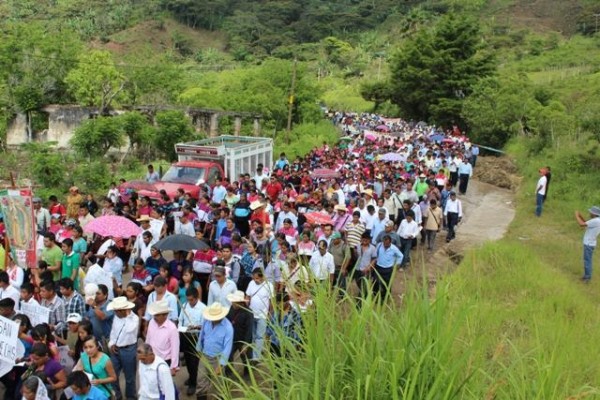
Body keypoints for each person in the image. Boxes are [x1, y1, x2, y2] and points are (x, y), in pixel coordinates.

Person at [196, 302, 234, 400]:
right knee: (200, 380)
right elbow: (202, 336)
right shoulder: (206, 321)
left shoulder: (228, 327)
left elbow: (227, 348)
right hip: (205, 354)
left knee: (218, 384)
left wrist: (221, 365)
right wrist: (199, 349)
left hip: (218, 358)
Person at [107, 296, 139, 400]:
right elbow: (113, 332)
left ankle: (130, 397)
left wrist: (128, 316)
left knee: (130, 377)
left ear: (123, 310)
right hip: (116, 349)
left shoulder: (134, 318)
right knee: (113, 374)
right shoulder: (116, 317)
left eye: (116, 311)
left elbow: (130, 329)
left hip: (129, 349)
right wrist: (111, 344)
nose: (115, 313)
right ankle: (117, 395)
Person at [178, 287, 206, 396]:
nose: (189, 302)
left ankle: (193, 384)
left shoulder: (203, 308)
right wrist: (181, 327)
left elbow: (204, 326)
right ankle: (191, 377)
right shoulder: (184, 305)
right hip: (185, 336)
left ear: (196, 297)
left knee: (194, 362)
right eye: (188, 299)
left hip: (196, 337)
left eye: (191, 300)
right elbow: (180, 320)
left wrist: (195, 327)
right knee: (188, 361)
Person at [245, 268, 274, 362]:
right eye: (254, 278)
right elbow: (248, 296)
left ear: (262, 277)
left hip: (263, 315)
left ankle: (256, 357)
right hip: (251, 314)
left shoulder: (269, 285)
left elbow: (271, 301)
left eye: (257, 278)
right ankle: (253, 353)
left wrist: (270, 314)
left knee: (260, 336)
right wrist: (246, 306)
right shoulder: (251, 283)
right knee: (252, 335)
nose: (255, 280)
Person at [145, 299, 180, 373]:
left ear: (165, 315)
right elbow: (148, 339)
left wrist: (173, 366)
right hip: (151, 358)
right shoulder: (152, 322)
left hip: (165, 361)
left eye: (157, 315)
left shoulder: (172, 328)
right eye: (154, 315)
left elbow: (175, 349)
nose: (155, 317)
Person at [225, 290, 253, 376]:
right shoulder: (231, 309)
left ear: (241, 302)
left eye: (235, 302)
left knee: (246, 359)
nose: (233, 304)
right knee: (228, 357)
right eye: (233, 302)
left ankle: (248, 374)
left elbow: (249, 329)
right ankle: (228, 375)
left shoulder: (248, 312)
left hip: (243, 340)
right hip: (232, 339)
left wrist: (246, 344)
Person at [373, 235, 403, 302]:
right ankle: (376, 297)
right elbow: (375, 254)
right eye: (384, 243)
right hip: (378, 267)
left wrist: (396, 264)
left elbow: (401, 256)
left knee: (386, 284)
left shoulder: (394, 248)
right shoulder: (379, 245)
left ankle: (384, 299)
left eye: (387, 243)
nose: (385, 245)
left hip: (388, 269)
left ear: (390, 242)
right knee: (375, 283)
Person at [575, 206, 600, 282]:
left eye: (591, 212)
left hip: (589, 243)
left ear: (594, 214)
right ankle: (586, 276)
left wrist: (576, 215)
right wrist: (580, 216)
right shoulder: (596, 220)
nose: (590, 213)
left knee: (587, 260)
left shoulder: (596, 221)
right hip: (591, 243)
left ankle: (587, 277)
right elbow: (586, 223)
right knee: (587, 260)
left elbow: (581, 224)